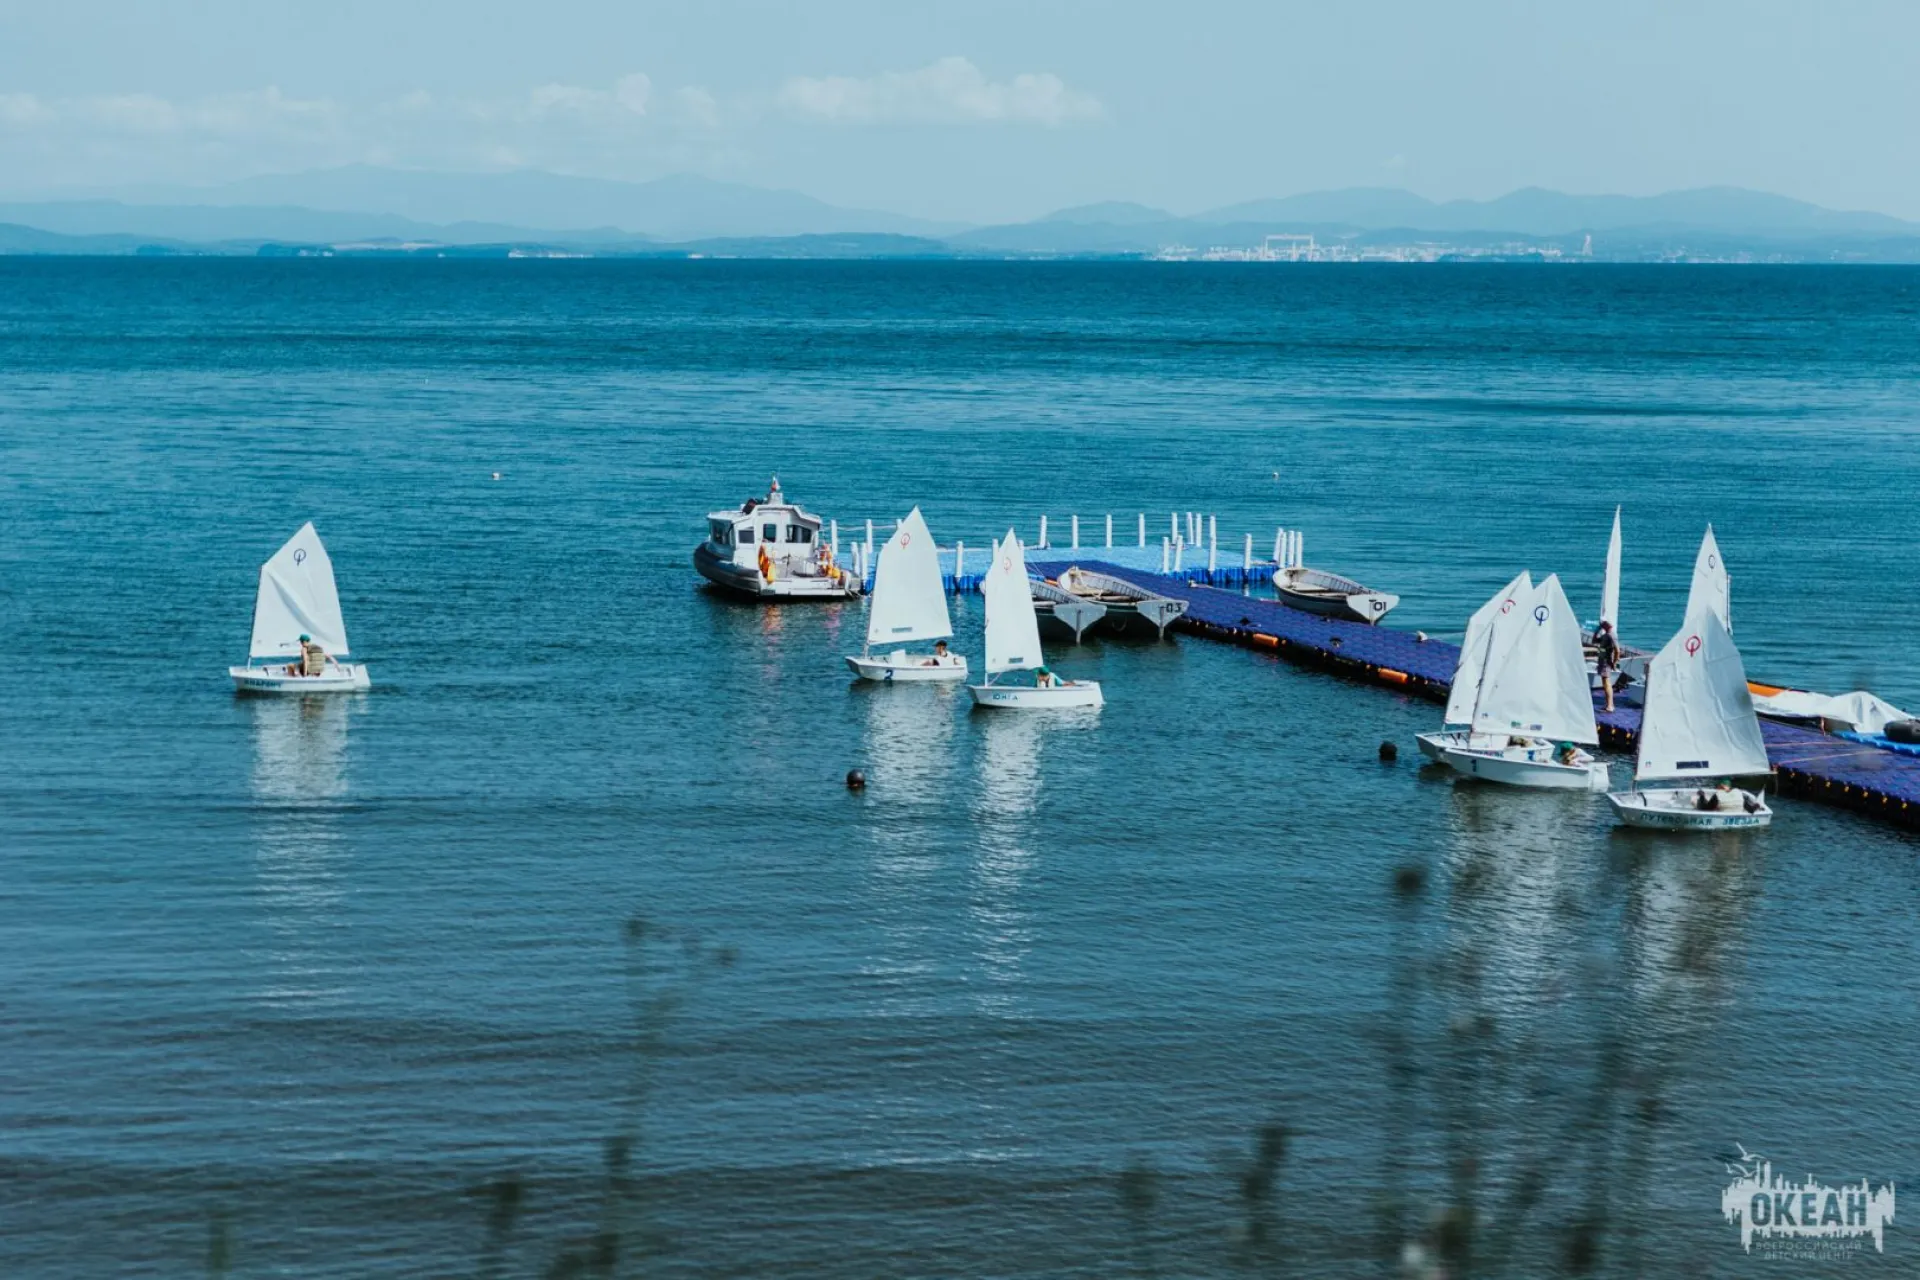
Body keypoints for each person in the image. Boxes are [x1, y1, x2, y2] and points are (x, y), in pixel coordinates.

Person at [1593, 620, 1620, 713]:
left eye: (1603, 624)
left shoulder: (1611, 635)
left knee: (1606, 683)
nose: (1601, 625)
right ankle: (1610, 704)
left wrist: (1615, 662)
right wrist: (1597, 631)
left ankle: (1610, 706)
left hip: (1606, 662)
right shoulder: (1605, 635)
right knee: (1605, 683)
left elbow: (1617, 650)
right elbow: (1594, 641)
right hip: (1602, 661)